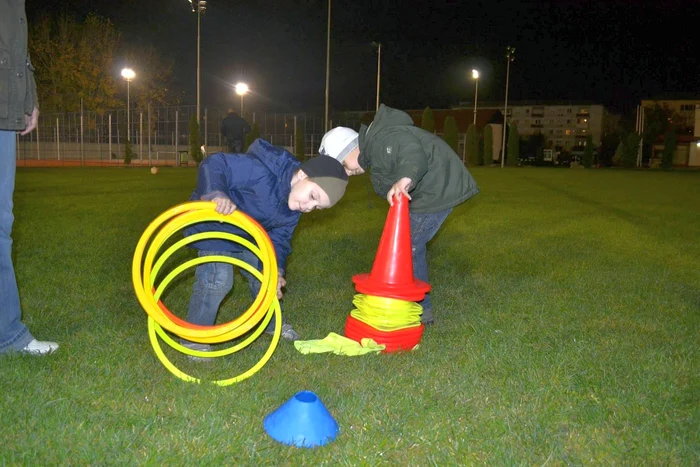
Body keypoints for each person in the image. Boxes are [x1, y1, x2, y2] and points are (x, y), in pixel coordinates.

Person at [318, 104, 479, 326]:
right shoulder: (376, 150)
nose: (348, 173)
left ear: (350, 149)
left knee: (408, 246)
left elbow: (411, 153)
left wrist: (405, 179)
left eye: (344, 166)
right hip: (429, 191)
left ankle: (421, 310)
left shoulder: (385, 139)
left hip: (437, 189)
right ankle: (409, 301)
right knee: (405, 242)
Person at [182, 138, 348, 350]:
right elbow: (215, 164)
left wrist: (277, 270)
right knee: (218, 281)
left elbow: (279, 240)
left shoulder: (294, 208)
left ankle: (271, 324)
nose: (309, 207)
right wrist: (216, 193)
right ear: (304, 175)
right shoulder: (259, 171)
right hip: (215, 226)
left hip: (247, 236)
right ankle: (195, 338)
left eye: (317, 207)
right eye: (312, 196)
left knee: (266, 278)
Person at [0, 0, 59, 355]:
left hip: (5, 109)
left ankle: (6, 334)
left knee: (0, 224)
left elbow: (14, 44)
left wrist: (30, 94)